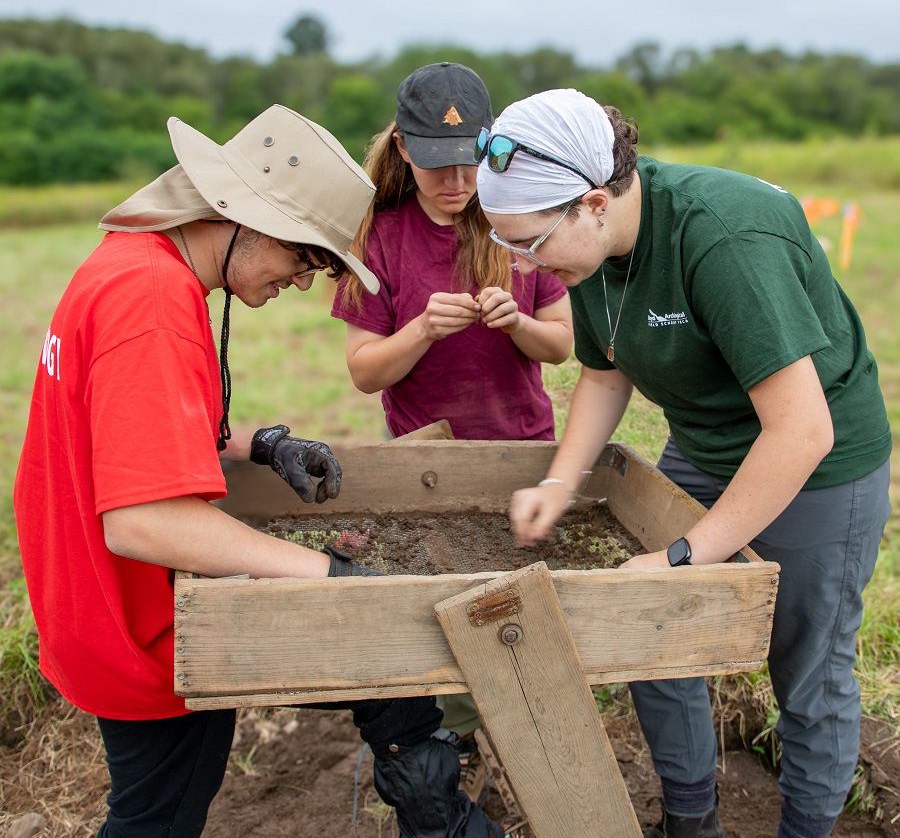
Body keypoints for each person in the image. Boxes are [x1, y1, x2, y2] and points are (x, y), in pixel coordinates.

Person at [13, 105, 504, 838]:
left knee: (365, 683)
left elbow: (133, 431)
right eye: (305, 260)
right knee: (156, 818)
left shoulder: (133, 266)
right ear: (250, 220)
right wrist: (325, 578)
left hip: (104, 600)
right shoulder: (152, 304)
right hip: (133, 622)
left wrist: (261, 444)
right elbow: (142, 518)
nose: (301, 283)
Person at [474, 89, 892, 838]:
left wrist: (682, 552)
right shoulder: (594, 256)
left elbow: (800, 432)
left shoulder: (723, 238)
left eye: (529, 244)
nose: (519, 263)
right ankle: (690, 818)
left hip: (816, 463)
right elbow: (605, 374)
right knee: (651, 629)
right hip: (703, 445)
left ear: (593, 203)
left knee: (808, 666)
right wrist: (558, 483)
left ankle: (807, 828)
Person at [332, 62, 573, 442]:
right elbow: (364, 374)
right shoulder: (378, 236)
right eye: (438, 165)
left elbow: (560, 346)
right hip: (424, 453)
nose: (457, 181)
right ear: (403, 147)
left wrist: (518, 324)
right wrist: (423, 329)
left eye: (468, 162)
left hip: (525, 445)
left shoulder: (519, 220)